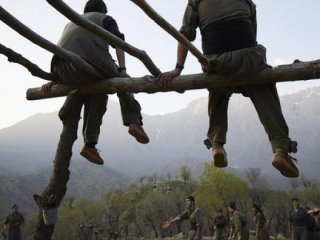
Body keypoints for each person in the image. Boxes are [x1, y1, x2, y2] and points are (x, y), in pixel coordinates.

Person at [158, 0, 299, 178]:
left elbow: (185, 34)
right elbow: (251, 38)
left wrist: (178, 68)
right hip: (249, 58)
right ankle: (280, 149)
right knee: (263, 83)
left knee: (215, 85)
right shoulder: (248, 1)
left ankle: (217, 144)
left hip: (217, 62)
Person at [42, 0, 149, 165]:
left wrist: (53, 79)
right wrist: (122, 69)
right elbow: (119, 43)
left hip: (61, 69)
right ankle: (134, 121)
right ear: (103, 11)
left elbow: (66, 47)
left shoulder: (70, 23)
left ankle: (90, 145)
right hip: (88, 61)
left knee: (99, 93)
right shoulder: (105, 19)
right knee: (121, 81)